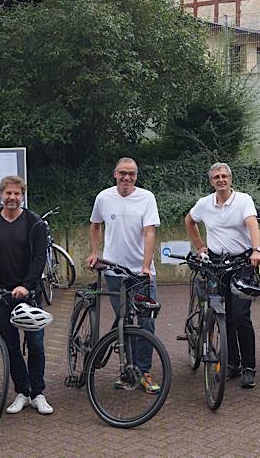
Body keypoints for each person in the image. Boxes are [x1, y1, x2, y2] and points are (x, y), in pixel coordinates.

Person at [0, 175, 53, 415]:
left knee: (36, 345)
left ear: (22, 196)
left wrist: (28, 285)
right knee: (11, 346)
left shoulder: (35, 223)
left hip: (28, 295)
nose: (12, 198)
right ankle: (22, 392)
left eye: (17, 194)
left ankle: (38, 393)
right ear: (1, 195)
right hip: (1, 295)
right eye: (8, 193)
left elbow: (40, 259)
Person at [185, 162, 260, 388]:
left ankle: (249, 367)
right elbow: (189, 221)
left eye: (224, 176)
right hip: (217, 264)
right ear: (211, 181)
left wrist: (257, 250)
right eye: (216, 177)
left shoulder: (243, 200)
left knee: (241, 316)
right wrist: (200, 246)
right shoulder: (204, 204)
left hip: (241, 262)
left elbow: (252, 225)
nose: (221, 180)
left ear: (230, 179)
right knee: (224, 315)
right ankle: (232, 364)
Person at [87, 157, 162, 394]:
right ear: (115, 174)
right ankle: (128, 371)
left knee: (146, 321)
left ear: (136, 177)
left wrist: (146, 266)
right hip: (113, 271)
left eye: (131, 174)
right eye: (122, 173)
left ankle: (144, 370)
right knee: (124, 320)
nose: (126, 177)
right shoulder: (103, 197)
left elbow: (149, 232)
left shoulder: (146, 197)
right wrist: (94, 253)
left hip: (141, 273)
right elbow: (95, 225)